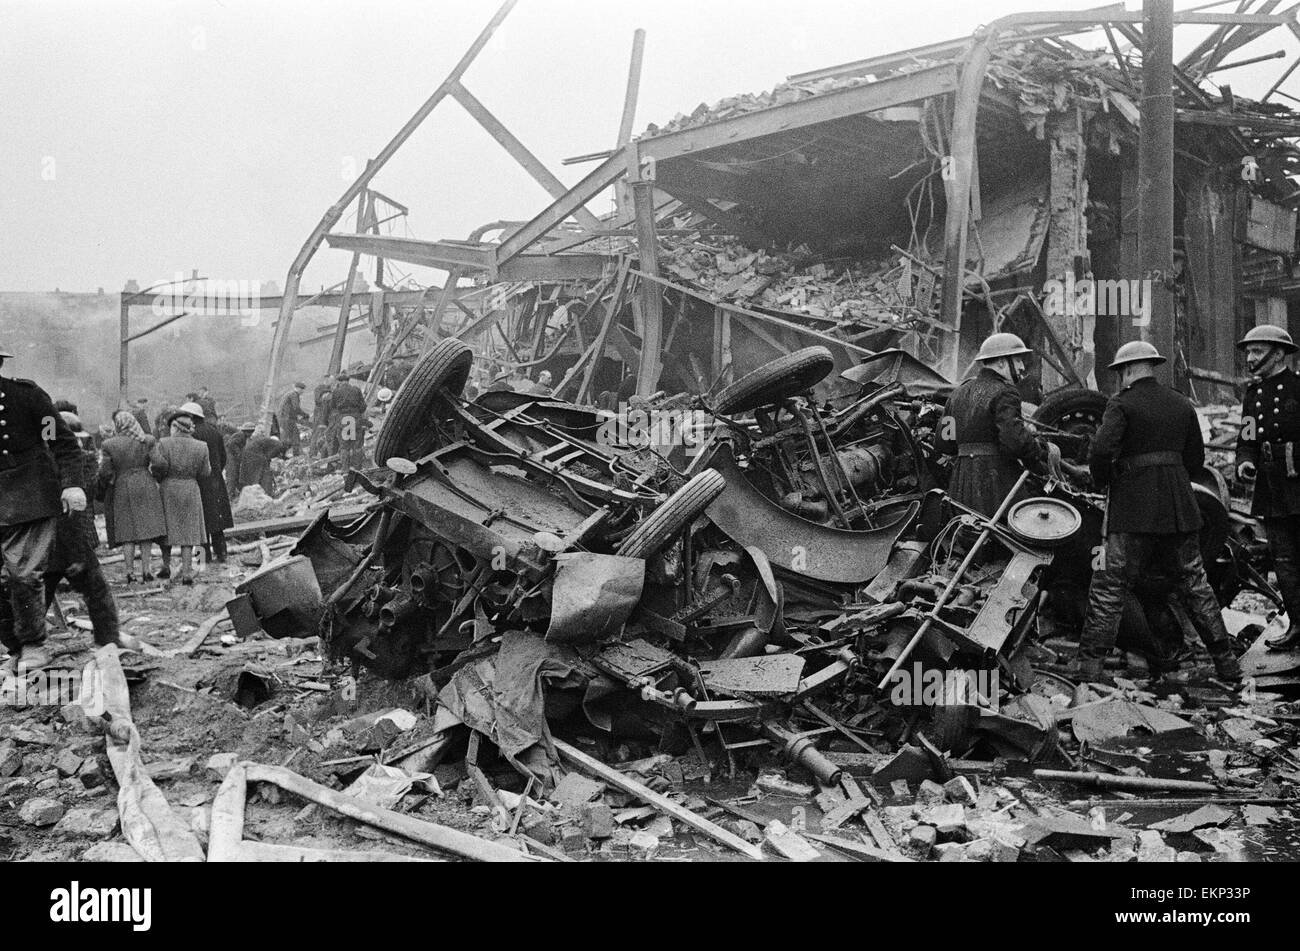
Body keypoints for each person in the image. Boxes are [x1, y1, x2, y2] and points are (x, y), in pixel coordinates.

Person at [1074, 341, 1240, 684]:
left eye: (1120, 373)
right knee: (1196, 584)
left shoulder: (1121, 403)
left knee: (1109, 585)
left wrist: (1104, 480)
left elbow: (1102, 451)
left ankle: (1090, 671)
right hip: (1179, 508)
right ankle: (1227, 665)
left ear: (1127, 370)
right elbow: (1195, 460)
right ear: (1152, 366)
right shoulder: (1181, 403)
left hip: (1132, 510)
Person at [0, 347, 84, 673]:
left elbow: (59, 441)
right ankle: (15, 648)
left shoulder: (27, 397)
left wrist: (71, 483)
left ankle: (35, 643)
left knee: (23, 576)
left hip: (30, 496)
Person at [935, 333, 1059, 517]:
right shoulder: (1006, 392)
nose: (1022, 367)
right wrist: (1040, 451)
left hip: (961, 485)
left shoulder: (957, 394)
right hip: (996, 483)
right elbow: (1014, 441)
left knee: (966, 535)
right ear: (1001, 362)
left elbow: (943, 442)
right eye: (1017, 360)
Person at [1235, 324, 1300, 651]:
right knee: (1284, 559)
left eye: (1257, 351)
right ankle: (1297, 626)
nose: (1250, 357)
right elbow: (1247, 437)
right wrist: (1245, 461)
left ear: (1278, 354)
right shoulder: (1253, 395)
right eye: (1248, 351)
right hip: (1272, 487)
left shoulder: (1297, 388)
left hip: (1298, 479)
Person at [44, 410, 132, 651]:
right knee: (98, 593)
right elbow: (78, 509)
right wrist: (78, 552)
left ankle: (23, 647)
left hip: (43, 542)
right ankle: (108, 640)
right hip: (70, 539)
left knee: (39, 596)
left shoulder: (37, 463)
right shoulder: (79, 464)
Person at [98, 411, 167, 581]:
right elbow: (159, 463)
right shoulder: (147, 440)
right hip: (145, 483)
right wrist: (156, 476)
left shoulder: (109, 444)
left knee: (126, 530)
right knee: (146, 529)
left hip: (122, 485)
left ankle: (129, 572)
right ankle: (146, 570)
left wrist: (112, 480)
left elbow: (104, 471)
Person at [149, 413, 211, 585]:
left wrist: (161, 478)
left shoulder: (164, 443)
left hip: (168, 488)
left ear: (174, 426)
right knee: (189, 532)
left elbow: (157, 468)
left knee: (167, 529)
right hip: (191, 489)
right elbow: (206, 472)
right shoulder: (201, 446)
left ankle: (166, 565)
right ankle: (187, 572)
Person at [179, 402, 233, 563]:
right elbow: (223, 457)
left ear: (191, 417)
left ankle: (202, 559)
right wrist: (216, 472)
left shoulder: (191, 434)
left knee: (199, 523)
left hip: (198, 482)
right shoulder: (214, 432)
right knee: (217, 520)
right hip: (215, 480)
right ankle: (222, 554)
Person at [331, 373, 368, 472]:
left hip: (343, 419)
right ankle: (358, 469)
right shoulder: (356, 390)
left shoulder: (336, 391)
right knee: (357, 446)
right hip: (355, 419)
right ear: (348, 381)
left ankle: (345, 470)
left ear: (339, 381)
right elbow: (363, 406)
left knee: (344, 447)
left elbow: (333, 406)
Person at [240, 425, 286, 496]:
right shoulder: (279, 446)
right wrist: (268, 463)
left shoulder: (274, 443)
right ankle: (266, 493)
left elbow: (268, 454)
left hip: (249, 451)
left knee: (257, 473)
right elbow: (268, 456)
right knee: (265, 473)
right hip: (254, 453)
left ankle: (260, 492)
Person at [277, 381, 310, 455]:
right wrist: (305, 415)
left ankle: (282, 454)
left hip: (284, 418)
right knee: (295, 437)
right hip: (288, 419)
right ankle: (296, 455)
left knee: (287, 437)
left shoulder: (289, 394)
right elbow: (296, 408)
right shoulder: (294, 395)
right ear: (298, 388)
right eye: (302, 389)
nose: (303, 391)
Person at [226, 421, 255, 500]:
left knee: (237, 475)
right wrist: (239, 454)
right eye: (251, 432)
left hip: (233, 457)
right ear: (247, 431)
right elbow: (232, 444)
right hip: (231, 457)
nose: (251, 434)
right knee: (232, 475)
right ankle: (229, 496)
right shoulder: (241, 435)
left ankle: (235, 492)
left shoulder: (243, 436)